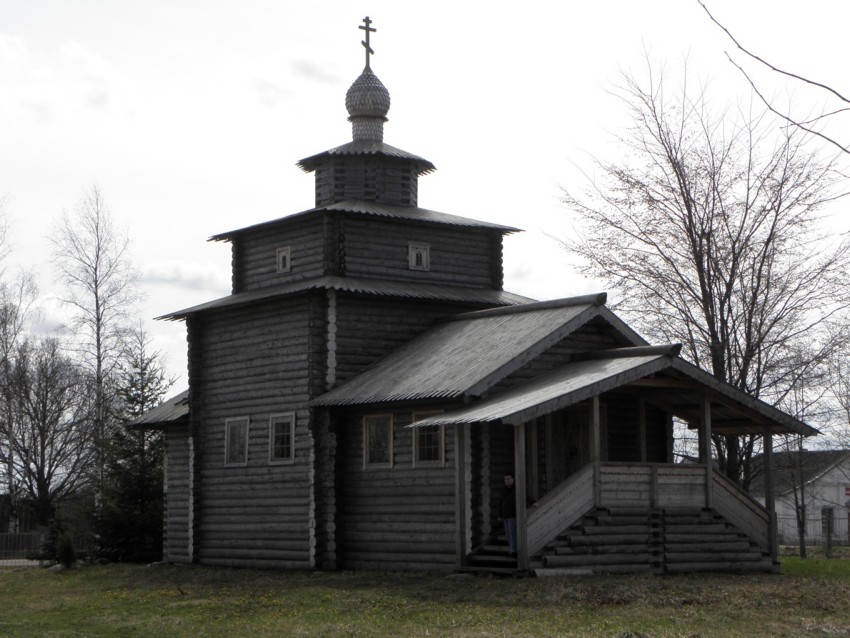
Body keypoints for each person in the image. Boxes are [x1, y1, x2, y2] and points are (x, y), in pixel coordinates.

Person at [498, 473, 523, 557]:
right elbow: (500, 503)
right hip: (505, 515)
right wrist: (500, 515)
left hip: (513, 514)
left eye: (509, 479)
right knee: (507, 534)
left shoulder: (516, 489)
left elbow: (525, 496)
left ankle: (514, 551)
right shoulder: (503, 490)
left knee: (512, 533)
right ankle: (511, 549)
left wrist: (533, 502)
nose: (507, 481)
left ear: (513, 479)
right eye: (506, 479)